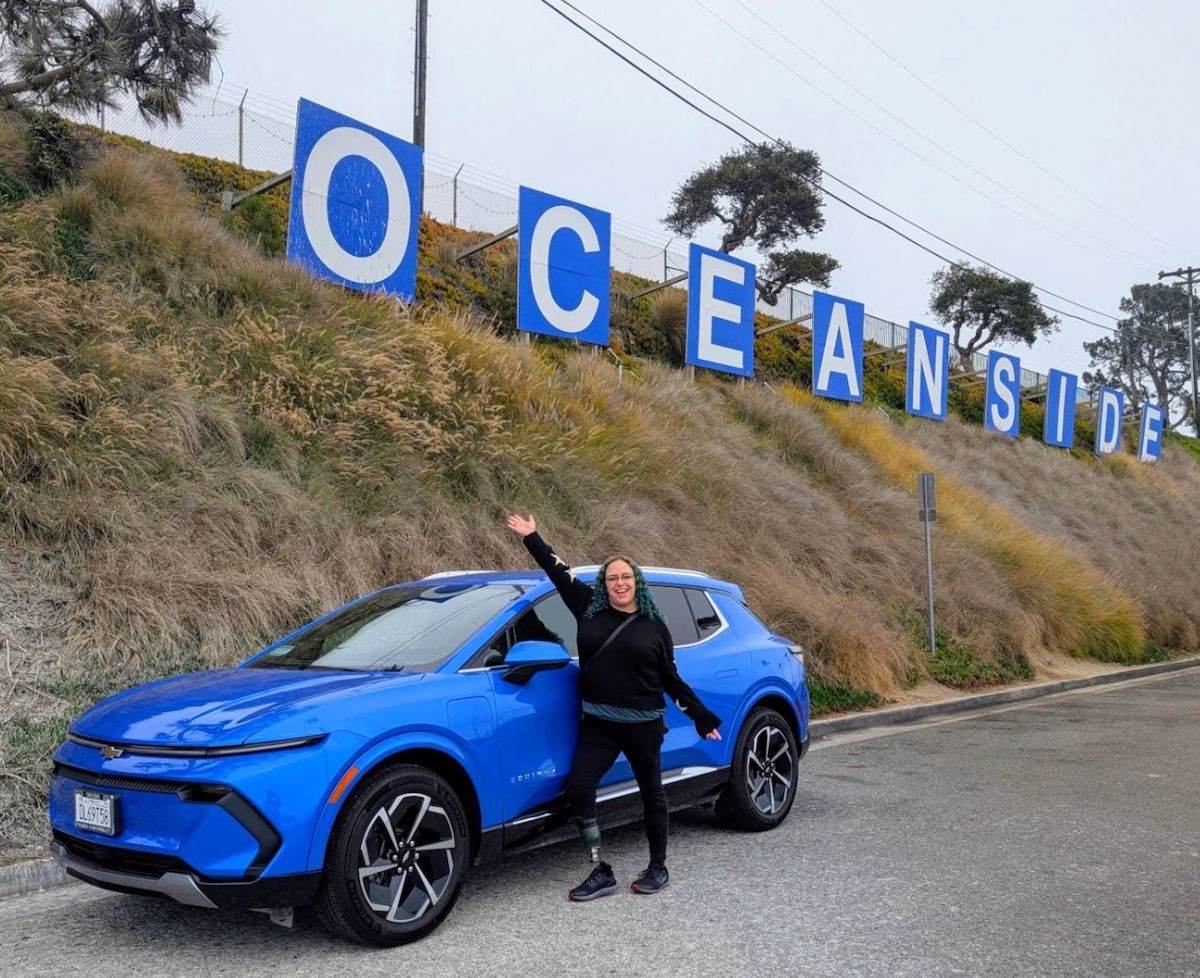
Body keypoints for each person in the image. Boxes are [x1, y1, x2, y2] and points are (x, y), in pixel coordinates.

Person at [505, 513, 722, 901]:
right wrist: (532, 537)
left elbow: (670, 679)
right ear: (604, 584)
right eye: (612, 578)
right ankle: (599, 867)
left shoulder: (655, 626)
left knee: (652, 792)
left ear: (637, 582)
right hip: (599, 722)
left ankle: (658, 867)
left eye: (626, 577)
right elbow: (558, 572)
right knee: (579, 786)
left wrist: (701, 716)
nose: (619, 583)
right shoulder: (587, 606)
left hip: (642, 723)